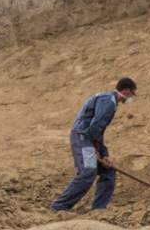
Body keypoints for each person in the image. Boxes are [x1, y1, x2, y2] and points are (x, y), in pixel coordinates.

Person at [51, 78, 138, 211]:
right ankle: (59, 206)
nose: (130, 98)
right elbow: (95, 127)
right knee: (88, 172)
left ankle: (98, 210)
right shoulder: (109, 102)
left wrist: (104, 154)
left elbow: (99, 130)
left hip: (87, 137)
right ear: (126, 90)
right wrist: (96, 150)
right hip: (83, 138)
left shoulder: (108, 99)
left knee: (108, 171)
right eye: (131, 94)